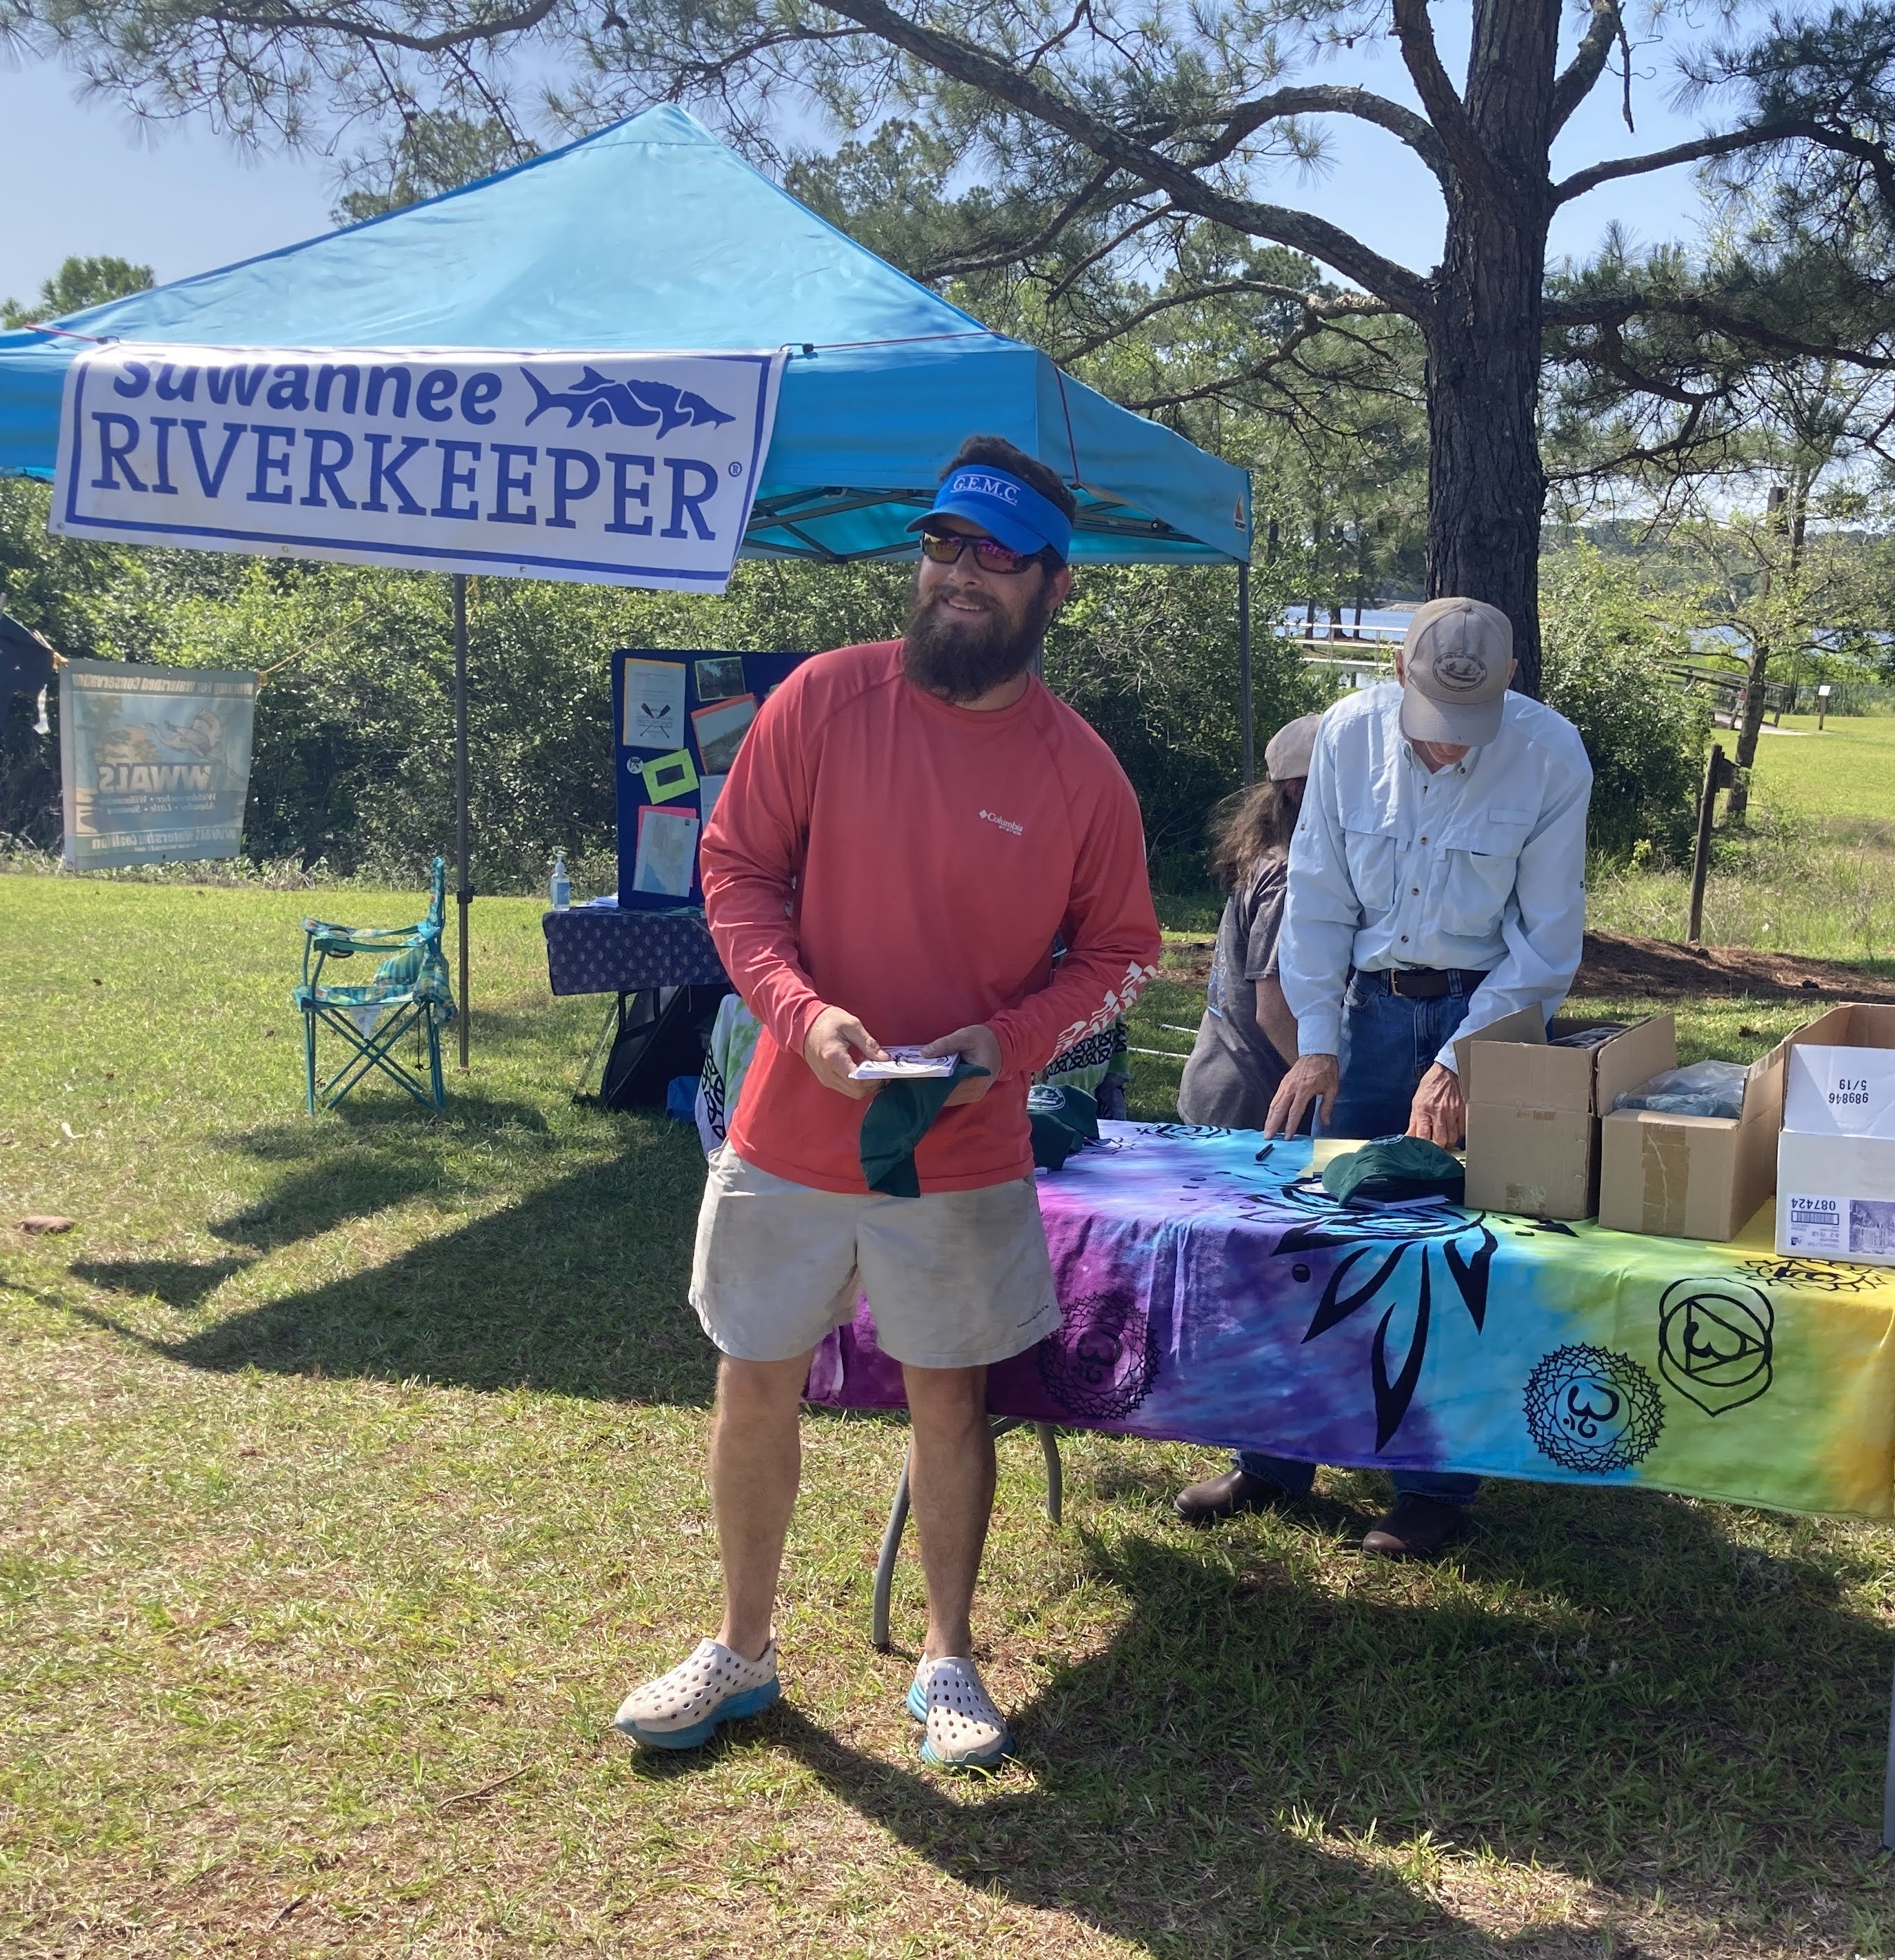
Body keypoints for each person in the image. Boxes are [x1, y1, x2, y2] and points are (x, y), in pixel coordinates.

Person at [613, 436, 1163, 1768]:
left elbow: (1123, 956)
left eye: (993, 554)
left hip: (960, 1142)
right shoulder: (822, 700)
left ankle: (948, 1656)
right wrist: (801, 1015)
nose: (957, 574)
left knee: (947, 1403)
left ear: (1053, 587)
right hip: (788, 1125)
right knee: (755, 1380)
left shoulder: (1081, 771)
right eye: (941, 544)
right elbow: (734, 877)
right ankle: (740, 1650)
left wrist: (1009, 1041)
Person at [1174, 596, 1593, 1561]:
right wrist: (1317, 1036)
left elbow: (1545, 941)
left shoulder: (1552, 754)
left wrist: (1462, 1060)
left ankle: (1434, 1486)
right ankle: (1274, 1459)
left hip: (1491, 1011)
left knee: (1452, 1256)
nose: (1449, 751)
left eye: (1468, 731)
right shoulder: (1351, 737)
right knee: (1313, 1241)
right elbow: (1317, 897)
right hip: (1364, 1009)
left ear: (1510, 681)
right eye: (1433, 732)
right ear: (1398, 671)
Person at [1177, 714, 1319, 1129]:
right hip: (1249, 1106)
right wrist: (1334, 1087)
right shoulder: (1289, 877)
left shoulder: (1276, 860)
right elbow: (1272, 1011)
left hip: (1226, 1094)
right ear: (1297, 790)